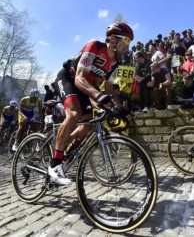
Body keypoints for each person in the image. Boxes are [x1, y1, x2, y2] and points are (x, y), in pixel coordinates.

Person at [50, 22, 134, 186]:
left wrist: (121, 110)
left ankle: (64, 148)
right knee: (74, 114)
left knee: (87, 125)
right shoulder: (94, 46)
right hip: (69, 79)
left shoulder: (114, 63)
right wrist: (98, 96)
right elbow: (80, 78)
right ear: (113, 38)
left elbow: (109, 91)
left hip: (86, 88)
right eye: (127, 40)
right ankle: (54, 165)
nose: (128, 46)